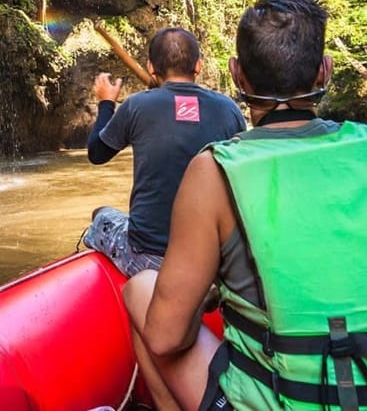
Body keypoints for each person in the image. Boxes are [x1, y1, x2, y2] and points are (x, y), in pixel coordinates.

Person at [122, 0, 367, 411]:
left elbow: (165, 336)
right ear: (324, 72)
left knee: (140, 287)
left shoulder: (215, 171)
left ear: (237, 75)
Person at [83, 27, 246, 277]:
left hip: (150, 256)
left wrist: (106, 102)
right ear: (199, 66)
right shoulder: (229, 109)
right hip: (214, 257)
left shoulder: (136, 105)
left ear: (150, 67)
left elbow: (96, 153)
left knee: (101, 215)